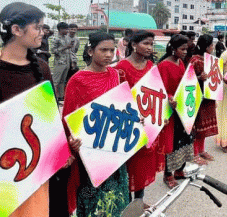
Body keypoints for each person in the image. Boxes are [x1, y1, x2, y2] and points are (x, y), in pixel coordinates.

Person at [0, 2, 79, 217]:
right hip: (8, 170)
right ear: (16, 30)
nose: (43, 33)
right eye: (38, 27)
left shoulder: (42, 68)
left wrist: (62, 148)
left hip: (39, 166)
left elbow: (50, 114)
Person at [63, 32, 129, 217]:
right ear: (91, 51)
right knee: (93, 197)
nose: (109, 54)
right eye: (103, 50)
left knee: (117, 196)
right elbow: (68, 117)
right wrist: (71, 140)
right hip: (91, 149)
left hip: (115, 146)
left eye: (111, 50)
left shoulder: (116, 75)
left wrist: (134, 119)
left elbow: (123, 106)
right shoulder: (78, 80)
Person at [114, 30, 157, 208]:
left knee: (142, 164)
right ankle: (126, 203)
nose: (149, 47)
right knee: (127, 164)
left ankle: (138, 201)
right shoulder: (120, 68)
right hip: (127, 124)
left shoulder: (151, 67)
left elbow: (157, 93)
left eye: (151, 44)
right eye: (146, 43)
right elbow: (116, 98)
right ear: (133, 45)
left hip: (147, 123)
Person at [157, 34, 194, 188]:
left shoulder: (180, 62)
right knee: (171, 142)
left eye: (187, 49)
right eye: (182, 49)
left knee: (184, 139)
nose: (185, 52)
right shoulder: (163, 65)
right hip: (170, 110)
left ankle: (180, 169)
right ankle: (168, 174)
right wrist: (170, 98)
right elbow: (161, 89)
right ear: (173, 49)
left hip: (183, 108)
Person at [189, 34, 219, 164]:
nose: (213, 47)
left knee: (205, 126)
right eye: (211, 45)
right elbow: (187, 79)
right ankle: (195, 153)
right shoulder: (195, 60)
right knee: (198, 126)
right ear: (205, 46)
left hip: (209, 97)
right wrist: (199, 77)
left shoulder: (210, 60)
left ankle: (201, 150)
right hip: (198, 97)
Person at [51, 22, 72, 102]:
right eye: (66, 29)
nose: (67, 31)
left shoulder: (66, 38)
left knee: (63, 81)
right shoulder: (55, 38)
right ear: (60, 29)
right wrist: (64, 47)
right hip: (59, 62)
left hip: (66, 62)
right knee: (56, 81)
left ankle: (61, 97)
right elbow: (53, 51)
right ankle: (53, 99)